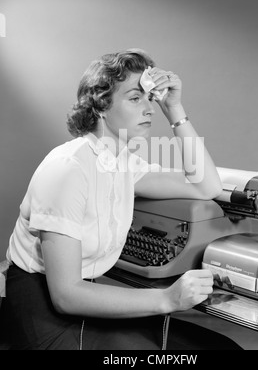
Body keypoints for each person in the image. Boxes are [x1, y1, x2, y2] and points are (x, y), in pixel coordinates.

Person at [1, 49, 242, 350]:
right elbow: (65, 296)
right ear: (101, 105)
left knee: (219, 347)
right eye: (134, 98)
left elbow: (206, 185)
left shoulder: (124, 164)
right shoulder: (69, 168)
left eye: (149, 98)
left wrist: (175, 109)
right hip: (40, 311)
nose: (149, 109)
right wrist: (167, 298)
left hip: (86, 300)